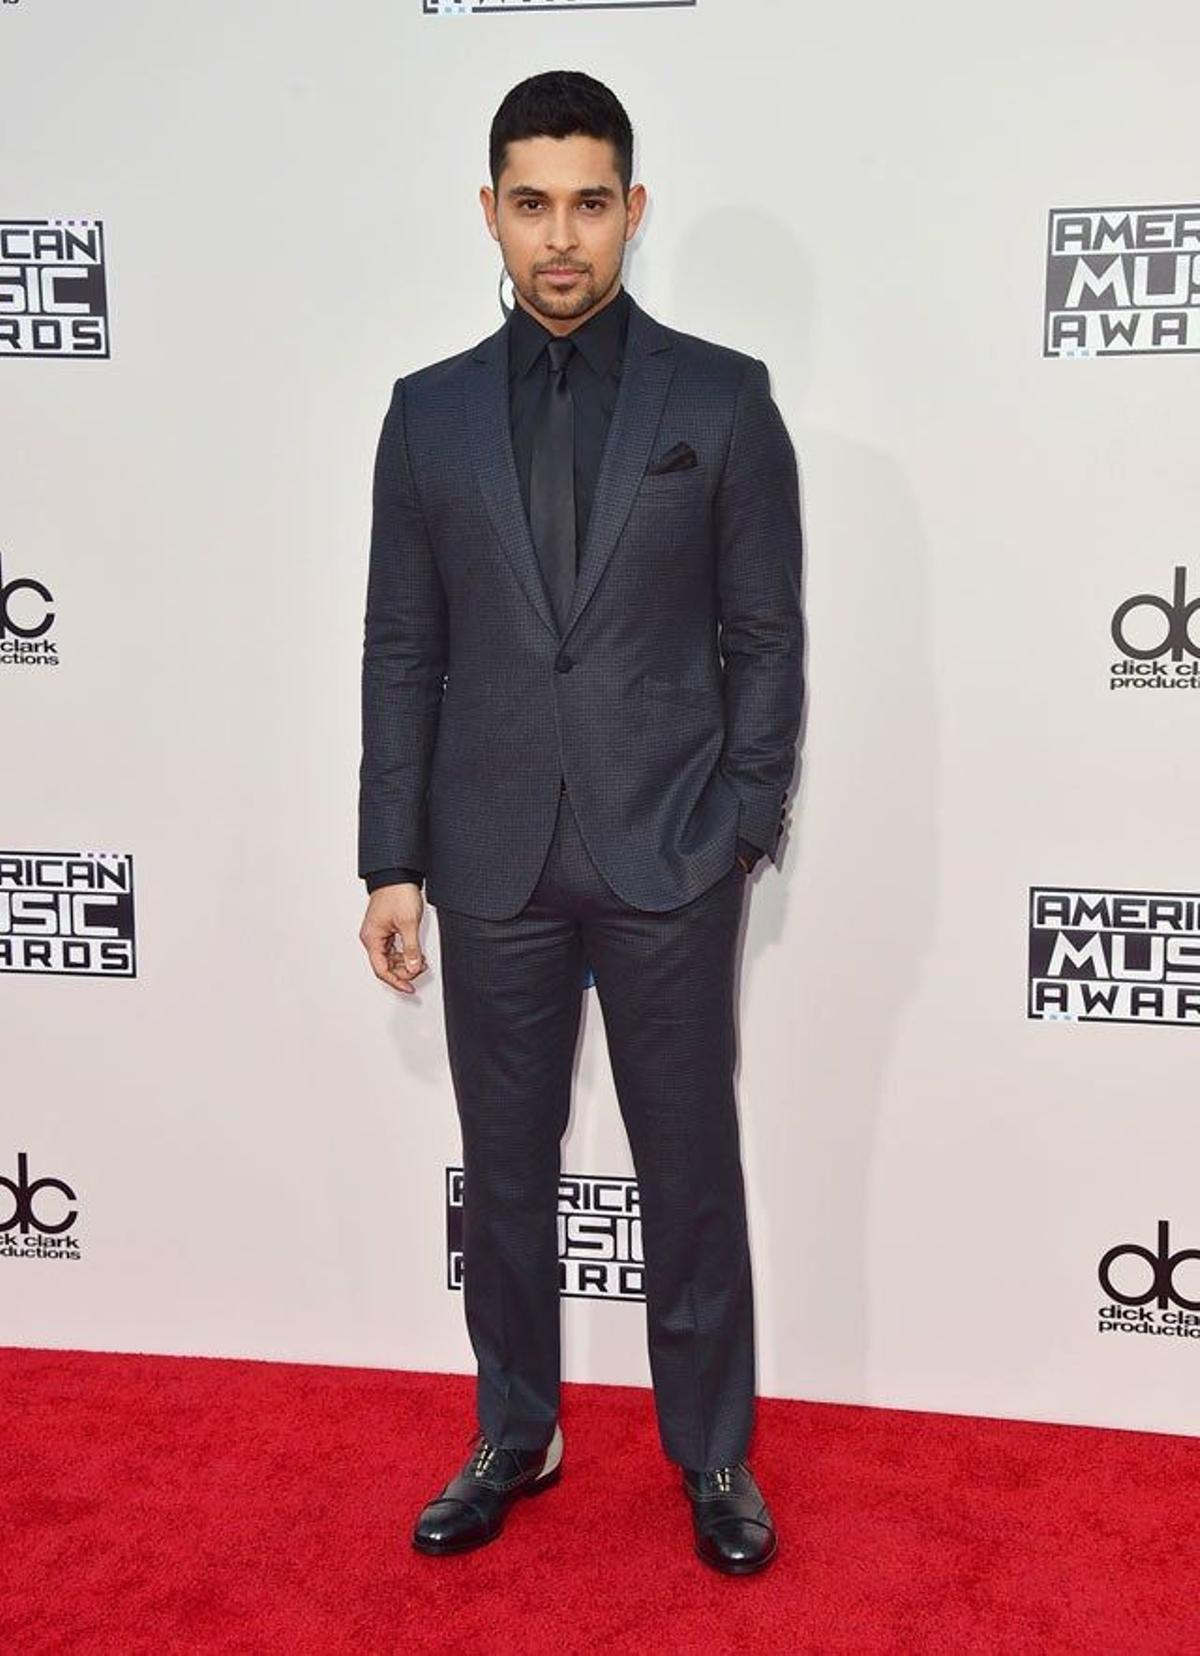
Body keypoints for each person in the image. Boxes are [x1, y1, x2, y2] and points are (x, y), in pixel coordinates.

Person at [357, 69, 804, 1576]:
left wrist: (743, 820)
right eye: (532, 204)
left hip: (671, 851)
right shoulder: (423, 419)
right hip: (487, 856)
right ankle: (513, 1429)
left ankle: (714, 1455)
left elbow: (768, 631)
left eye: (590, 204)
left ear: (633, 210)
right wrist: (393, 857)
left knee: (691, 1165)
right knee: (505, 1165)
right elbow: (402, 648)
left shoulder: (721, 398)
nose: (562, 238)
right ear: (490, 211)